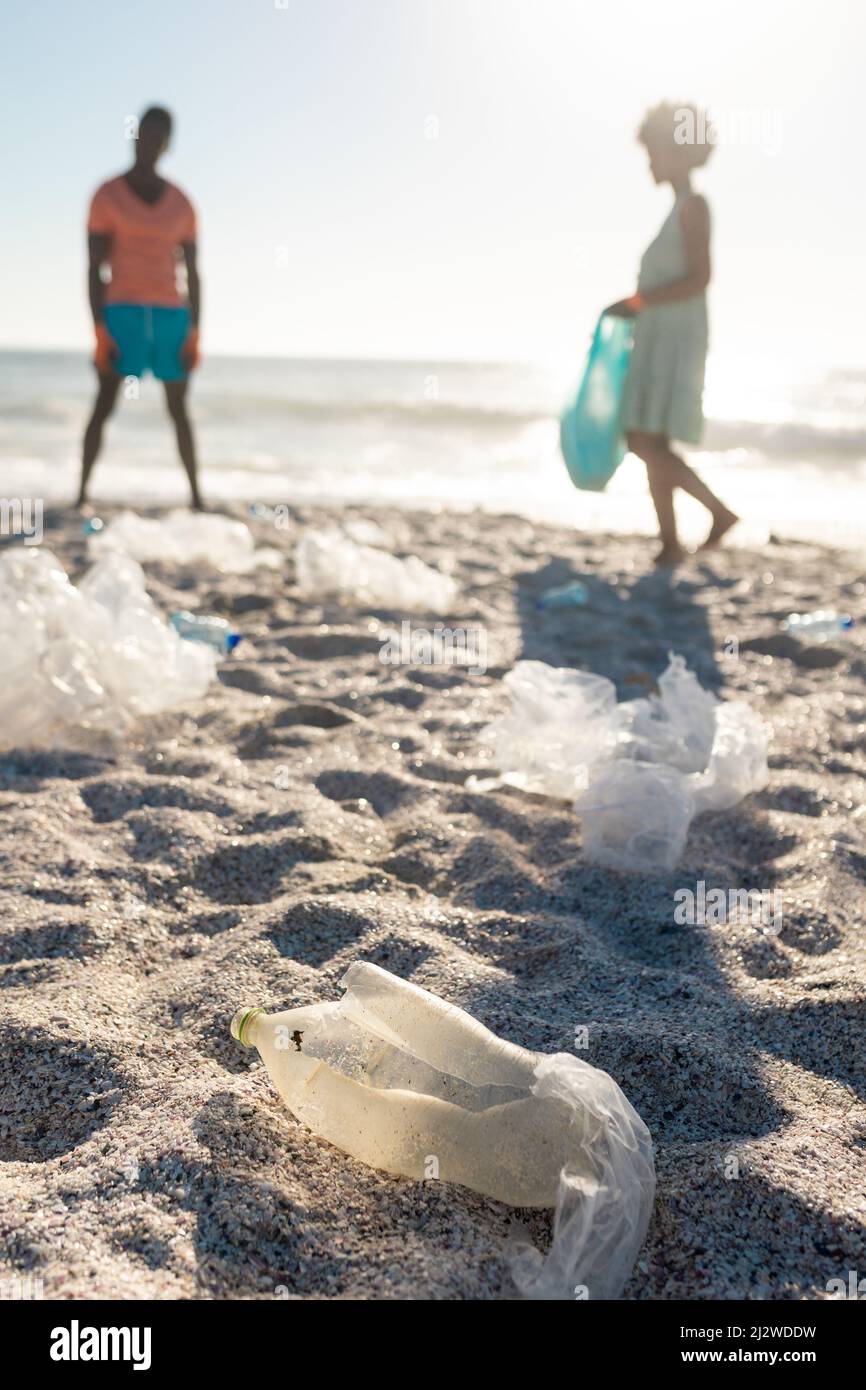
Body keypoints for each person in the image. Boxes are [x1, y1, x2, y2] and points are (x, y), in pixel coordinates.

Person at [606, 102, 737, 566]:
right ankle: (669, 542)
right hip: (660, 337)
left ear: (679, 152)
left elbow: (701, 277)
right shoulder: (677, 207)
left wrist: (639, 302)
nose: (650, 163)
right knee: (652, 442)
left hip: (677, 341)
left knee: (642, 440)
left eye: (654, 152)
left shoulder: (694, 206)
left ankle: (718, 513)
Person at [79, 105, 203, 510]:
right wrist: (99, 330)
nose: (148, 142)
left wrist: (195, 332)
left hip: (171, 314)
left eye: (158, 137)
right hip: (123, 312)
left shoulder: (182, 203)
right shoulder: (107, 195)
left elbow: (195, 273)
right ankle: (81, 493)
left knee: (179, 409)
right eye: (143, 133)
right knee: (104, 404)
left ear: (168, 144)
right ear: (133, 135)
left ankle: (196, 497)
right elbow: (94, 269)